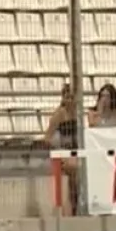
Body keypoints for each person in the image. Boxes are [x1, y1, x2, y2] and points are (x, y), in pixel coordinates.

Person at [43, 83, 79, 215]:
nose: (70, 101)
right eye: (67, 97)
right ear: (63, 98)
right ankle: (71, 209)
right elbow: (47, 138)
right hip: (63, 151)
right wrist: (58, 150)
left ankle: (76, 206)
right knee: (74, 170)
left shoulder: (78, 113)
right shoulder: (58, 115)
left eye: (72, 97)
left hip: (76, 151)